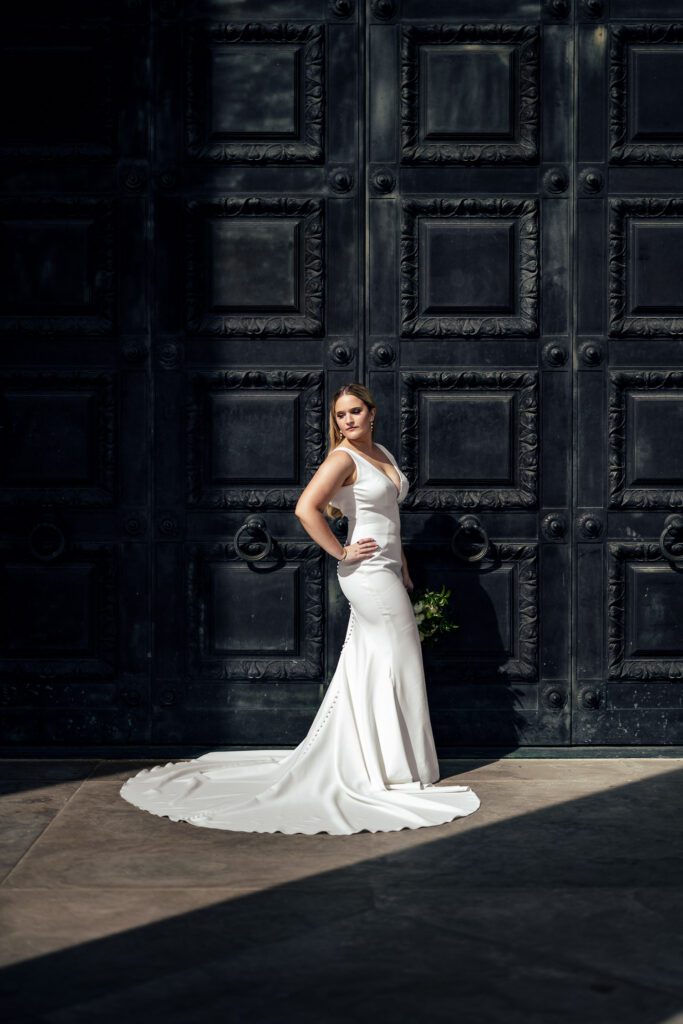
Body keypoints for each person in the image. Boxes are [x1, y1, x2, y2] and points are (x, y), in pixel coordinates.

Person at [120, 383, 480, 834]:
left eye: (354, 412)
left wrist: (403, 563)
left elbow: (390, 518)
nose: (347, 421)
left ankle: (384, 764)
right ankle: (393, 772)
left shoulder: (381, 452)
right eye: (341, 415)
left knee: (376, 663)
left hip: (388, 571)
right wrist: (341, 553)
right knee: (397, 661)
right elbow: (306, 509)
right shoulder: (342, 458)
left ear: (372, 413)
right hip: (366, 576)